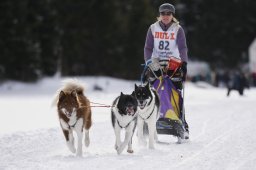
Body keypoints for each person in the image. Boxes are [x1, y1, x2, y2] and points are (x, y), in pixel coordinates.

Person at [143, 3, 189, 139]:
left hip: (173, 63)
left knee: (175, 92)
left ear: (172, 15)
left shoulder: (177, 29)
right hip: (156, 62)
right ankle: (149, 120)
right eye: (163, 13)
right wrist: (149, 62)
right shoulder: (152, 28)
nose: (166, 16)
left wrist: (184, 62)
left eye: (168, 14)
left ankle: (181, 123)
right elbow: (147, 48)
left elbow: (183, 48)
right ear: (160, 15)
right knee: (153, 90)